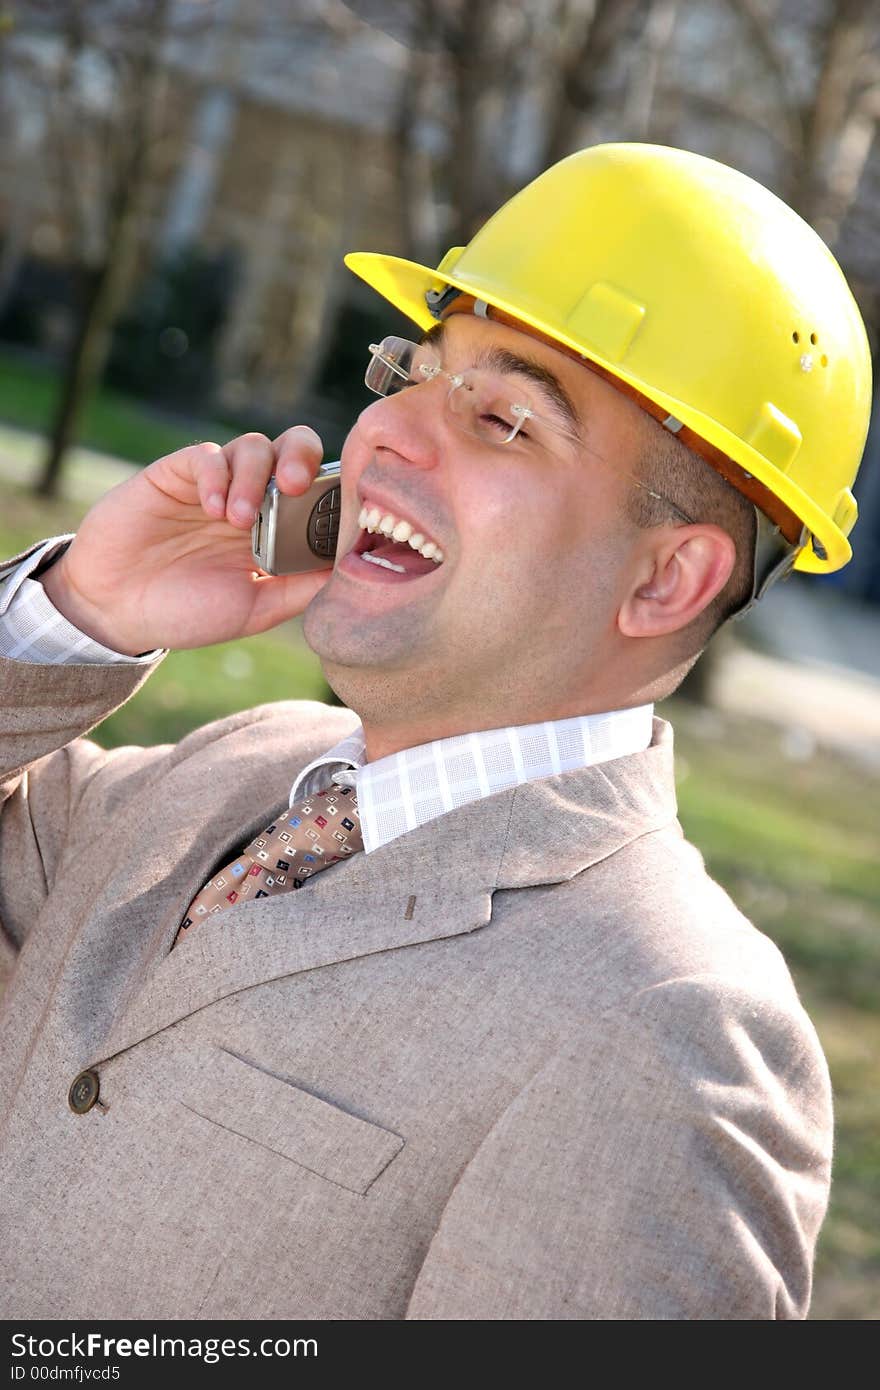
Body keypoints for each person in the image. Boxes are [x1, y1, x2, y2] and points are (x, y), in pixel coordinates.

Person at [0, 143, 872, 1321]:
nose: (383, 436)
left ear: (668, 580)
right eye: (411, 372)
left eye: (505, 420)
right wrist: (80, 615)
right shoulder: (231, 769)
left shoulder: (676, 1036)